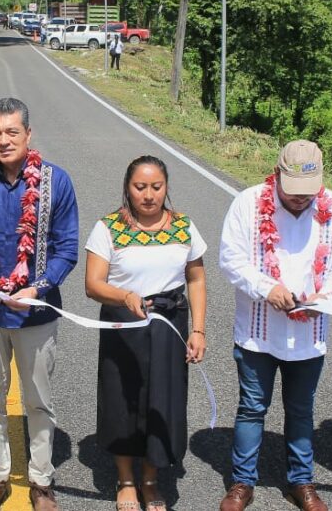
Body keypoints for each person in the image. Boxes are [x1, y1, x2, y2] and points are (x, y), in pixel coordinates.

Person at [218, 140, 332, 511]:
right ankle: (242, 482)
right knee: (252, 407)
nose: (300, 199)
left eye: (307, 193)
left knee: (301, 409)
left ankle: (301, 481)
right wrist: (268, 288)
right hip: (258, 330)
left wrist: (326, 297)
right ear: (277, 174)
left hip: (308, 334)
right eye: (292, 191)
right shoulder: (248, 203)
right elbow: (231, 259)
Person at [0, 97, 79, 511]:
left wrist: (37, 289)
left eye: (11, 132)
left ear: (28, 134)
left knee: (38, 400)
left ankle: (41, 480)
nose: (3, 141)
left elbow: (66, 249)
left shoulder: (55, 183)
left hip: (35, 312)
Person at [84, 155, 208, 511]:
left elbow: (196, 279)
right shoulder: (108, 227)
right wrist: (125, 296)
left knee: (162, 401)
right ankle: (125, 480)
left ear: (166, 188)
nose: (149, 195)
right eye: (140, 187)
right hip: (124, 324)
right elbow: (93, 284)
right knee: (123, 399)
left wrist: (197, 330)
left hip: (169, 324)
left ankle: (151, 480)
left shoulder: (184, 225)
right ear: (128, 188)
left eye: (157, 187)